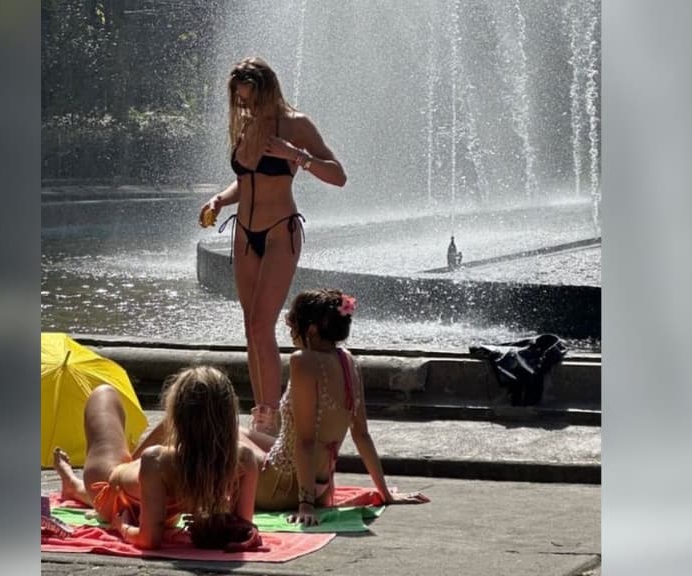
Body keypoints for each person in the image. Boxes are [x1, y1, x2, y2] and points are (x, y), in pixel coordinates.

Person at [199, 57, 347, 437]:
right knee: (251, 325)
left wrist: (296, 156)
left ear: (267, 90)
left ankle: (270, 415)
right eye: (240, 100)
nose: (244, 106)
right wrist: (219, 199)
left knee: (262, 323)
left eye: (249, 99)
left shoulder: (296, 124)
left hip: (281, 231)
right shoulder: (248, 125)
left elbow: (338, 175)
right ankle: (262, 410)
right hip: (245, 233)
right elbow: (246, 180)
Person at [240, 289, 430, 525]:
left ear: (311, 329)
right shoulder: (348, 361)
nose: (290, 332)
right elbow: (361, 434)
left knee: (219, 434)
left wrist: (305, 506)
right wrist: (385, 494)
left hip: (282, 488)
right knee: (236, 431)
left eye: (293, 326)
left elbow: (306, 440)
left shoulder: (303, 361)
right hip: (322, 488)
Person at [52, 366, 259, 550]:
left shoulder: (156, 461)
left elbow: (148, 540)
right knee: (140, 462)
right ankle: (74, 484)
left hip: (113, 494)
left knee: (103, 394)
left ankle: (73, 485)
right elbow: (243, 526)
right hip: (139, 492)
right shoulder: (244, 459)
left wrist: (121, 526)